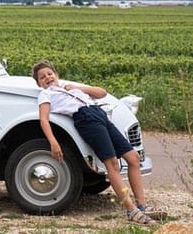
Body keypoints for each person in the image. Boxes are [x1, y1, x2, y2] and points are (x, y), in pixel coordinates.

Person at [31, 60, 166, 226]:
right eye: (42, 77)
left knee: (134, 158)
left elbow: (102, 93)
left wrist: (77, 88)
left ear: (56, 74)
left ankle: (142, 206)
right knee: (113, 164)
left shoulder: (69, 87)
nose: (47, 78)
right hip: (85, 119)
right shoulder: (46, 94)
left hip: (99, 114)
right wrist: (53, 141)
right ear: (39, 83)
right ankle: (131, 210)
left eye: (49, 74)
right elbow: (43, 119)